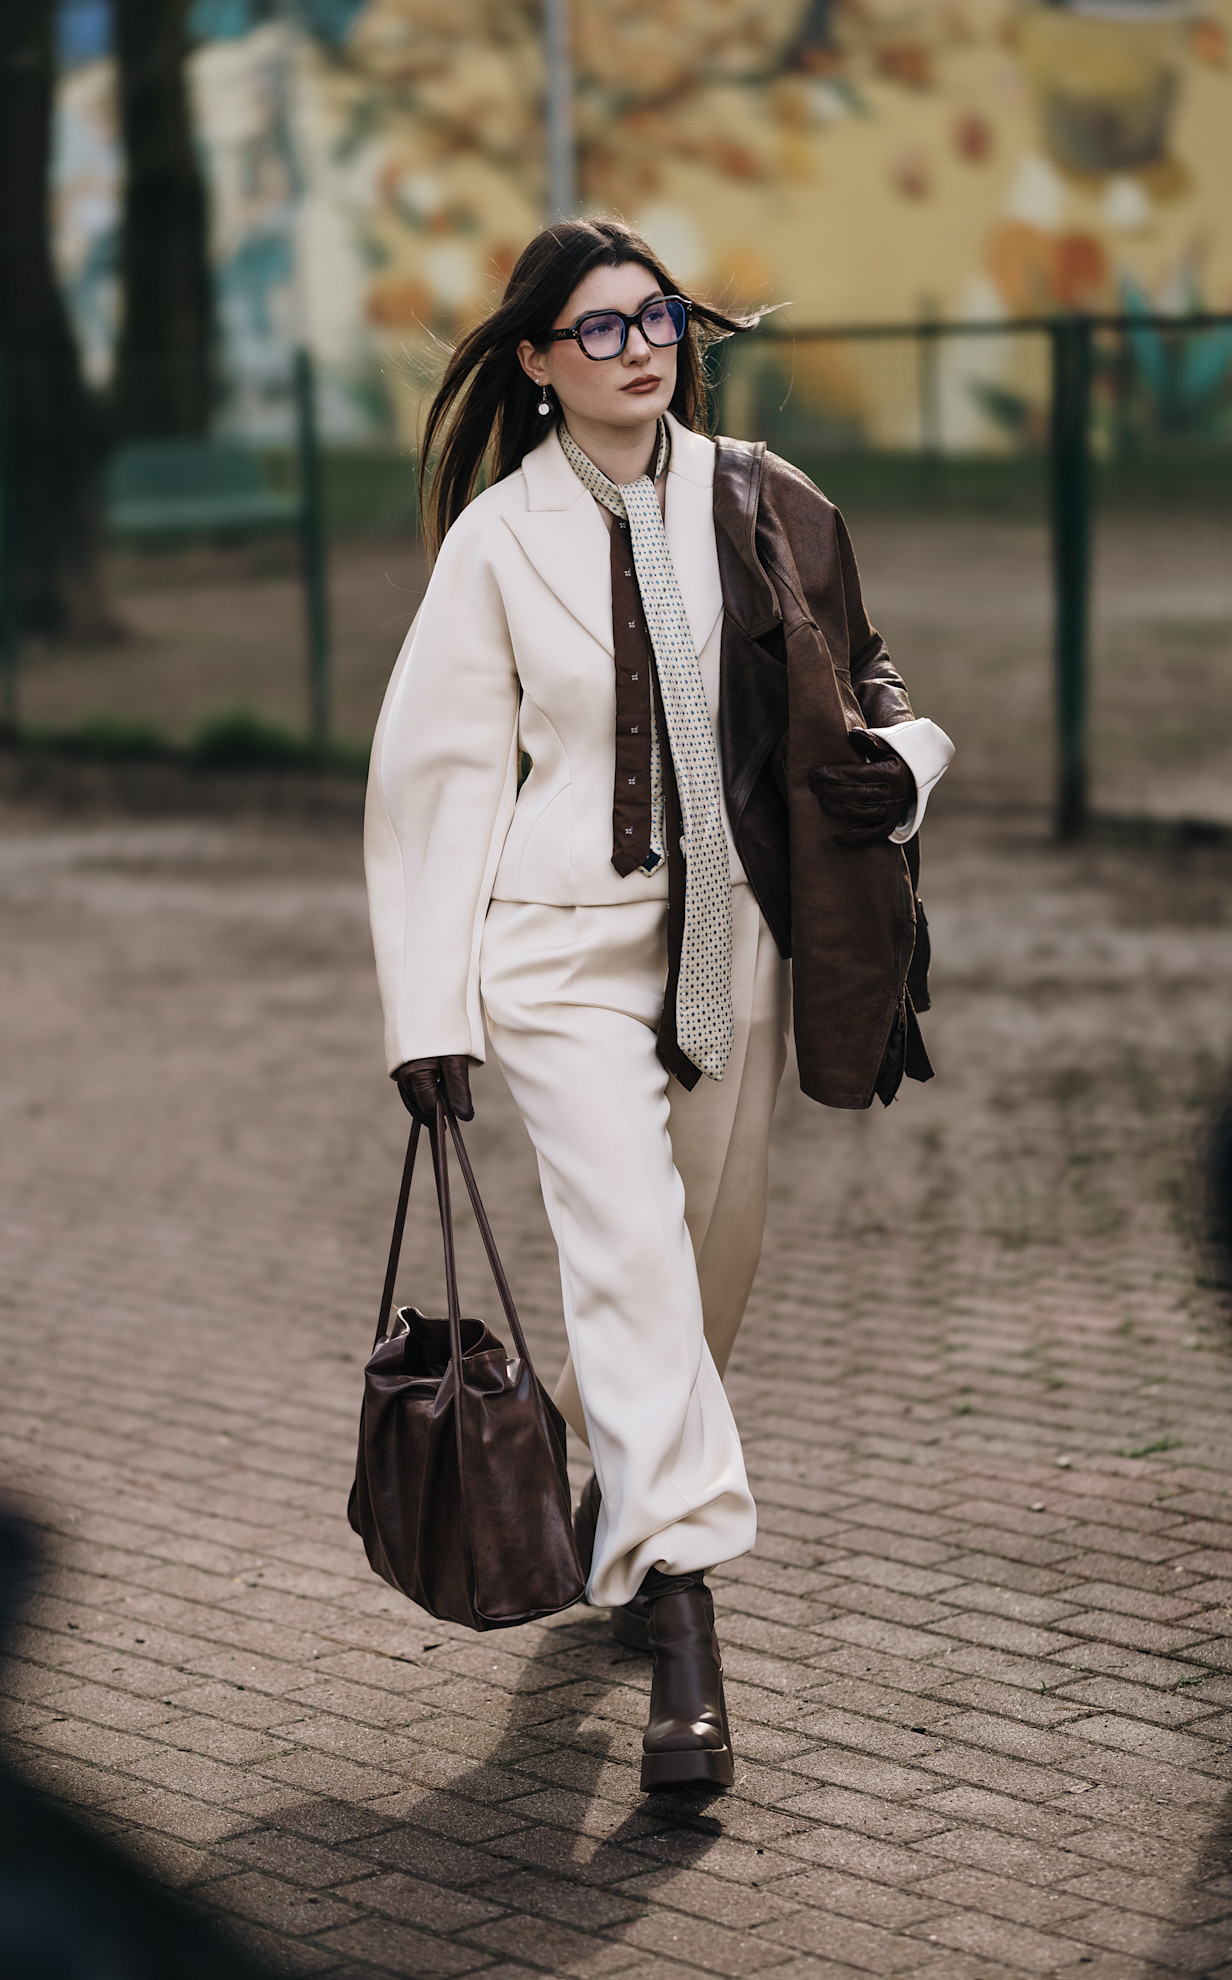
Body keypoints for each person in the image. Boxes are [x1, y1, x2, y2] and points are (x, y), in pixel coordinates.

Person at [365, 218, 952, 1793]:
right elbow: (436, 781)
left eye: (658, 320)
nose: (640, 349)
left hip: (734, 947)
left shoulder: (765, 497)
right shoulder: (497, 543)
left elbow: (870, 672)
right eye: (601, 329)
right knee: (628, 1248)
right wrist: (428, 1012)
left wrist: (908, 763)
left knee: (701, 1265)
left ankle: (622, 1476)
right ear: (537, 362)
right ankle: (683, 1618)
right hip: (559, 957)